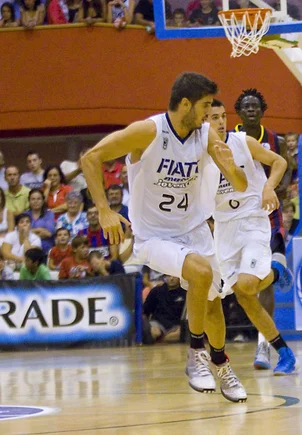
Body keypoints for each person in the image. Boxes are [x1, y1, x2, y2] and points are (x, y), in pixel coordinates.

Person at [80, 72, 248, 403]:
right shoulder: (149, 131)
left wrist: (231, 168)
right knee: (200, 273)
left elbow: (241, 186)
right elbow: (90, 157)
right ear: (185, 104)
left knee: (212, 305)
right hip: (154, 235)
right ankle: (196, 354)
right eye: (204, 107)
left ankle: (219, 361)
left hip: (195, 229)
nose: (207, 114)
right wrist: (103, 209)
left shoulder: (205, 135)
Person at [208, 99, 296, 374]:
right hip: (224, 228)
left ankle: (276, 272)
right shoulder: (198, 155)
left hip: (253, 221)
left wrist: (269, 187)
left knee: (247, 283)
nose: (221, 122)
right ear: (203, 122)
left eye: (223, 116)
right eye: (214, 117)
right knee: (244, 296)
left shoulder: (242, 142)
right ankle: (285, 353)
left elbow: (279, 161)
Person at [234, 88, 293, 371]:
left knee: (260, 279)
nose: (251, 110)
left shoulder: (275, 141)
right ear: (239, 112)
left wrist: (270, 187)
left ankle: (263, 346)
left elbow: (287, 171)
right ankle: (278, 273)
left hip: (268, 215)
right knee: (245, 285)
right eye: (246, 106)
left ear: (262, 110)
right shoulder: (229, 140)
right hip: (237, 219)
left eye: (255, 105)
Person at [143, 275, 187, 343]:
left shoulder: (185, 293)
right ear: (165, 277)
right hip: (157, 323)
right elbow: (145, 311)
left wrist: (181, 327)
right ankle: (161, 339)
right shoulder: (156, 291)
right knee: (154, 332)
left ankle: (162, 339)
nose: (171, 279)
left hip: (176, 325)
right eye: (169, 276)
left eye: (174, 276)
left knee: (179, 334)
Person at [25, 189, 55, 256]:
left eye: (38, 199)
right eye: (33, 199)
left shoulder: (49, 214)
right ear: (29, 201)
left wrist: (30, 232)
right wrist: (39, 230)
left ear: (43, 200)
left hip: (45, 249)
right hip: (28, 249)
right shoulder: (25, 215)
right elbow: (22, 233)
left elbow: (49, 233)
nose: (36, 201)